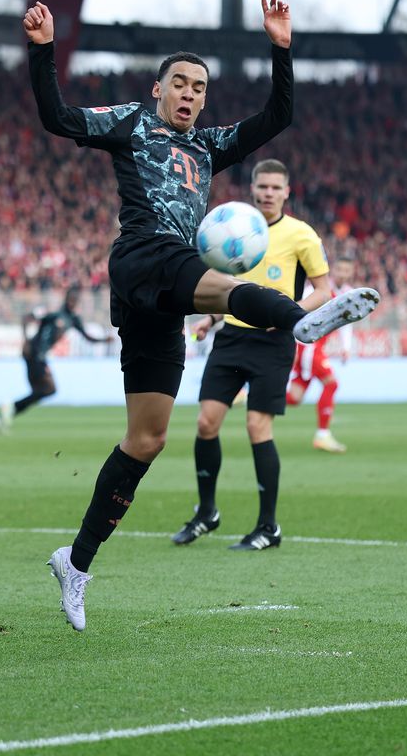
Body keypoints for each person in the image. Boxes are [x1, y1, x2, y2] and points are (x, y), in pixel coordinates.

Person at [23, 0, 381, 631]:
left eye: (199, 88)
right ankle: (297, 319)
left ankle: (74, 563)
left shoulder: (209, 147)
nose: (189, 95)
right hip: (141, 260)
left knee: (148, 438)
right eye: (180, 84)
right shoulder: (129, 123)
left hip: (162, 300)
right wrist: (44, 50)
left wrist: (281, 48)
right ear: (158, 88)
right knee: (217, 280)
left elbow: (277, 116)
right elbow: (55, 117)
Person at [171, 159, 332, 552]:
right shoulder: (236, 225)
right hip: (231, 339)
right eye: (262, 186)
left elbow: (324, 291)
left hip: (273, 343)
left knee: (257, 428)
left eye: (276, 188)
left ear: (287, 192)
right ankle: (206, 512)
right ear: (254, 187)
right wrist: (211, 317)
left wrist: (292, 315)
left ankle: (268, 526)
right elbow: (230, 287)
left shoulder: (301, 235)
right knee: (206, 423)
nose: (268, 193)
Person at [0, 287, 109, 433]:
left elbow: (87, 337)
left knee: (42, 391)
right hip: (34, 353)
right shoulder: (53, 314)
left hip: (39, 356)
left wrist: (104, 340)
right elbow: (26, 318)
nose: (72, 302)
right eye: (70, 299)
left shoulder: (73, 319)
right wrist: (26, 341)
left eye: (74, 300)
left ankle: (7, 413)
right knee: (49, 389)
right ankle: (10, 409)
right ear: (66, 299)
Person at [286, 255, 357, 453]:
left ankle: (251, 396)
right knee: (332, 384)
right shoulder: (316, 290)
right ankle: (323, 435)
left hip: (316, 348)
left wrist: (346, 347)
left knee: (294, 398)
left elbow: (346, 323)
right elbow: (299, 314)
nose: (342, 273)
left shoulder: (349, 293)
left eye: (346, 270)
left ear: (351, 272)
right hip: (308, 347)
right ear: (333, 270)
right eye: (339, 269)